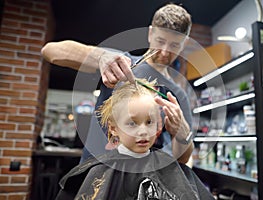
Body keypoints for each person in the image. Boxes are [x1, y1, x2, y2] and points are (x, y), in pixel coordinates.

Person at [41, 3, 194, 164]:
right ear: (150, 34)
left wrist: (183, 134)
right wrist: (100, 57)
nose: (164, 52)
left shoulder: (178, 96)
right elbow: (50, 51)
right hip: (95, 174)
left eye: (174, 45)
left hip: (140, 182)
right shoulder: (120, 64)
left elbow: (182, 159)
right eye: (160, 41)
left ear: (185, 43)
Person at [55, 79, 214, 200]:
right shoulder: (99, 170)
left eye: (149, 122)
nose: (143, 131)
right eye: (132, 123)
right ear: (113, 128)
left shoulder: (168, 166)